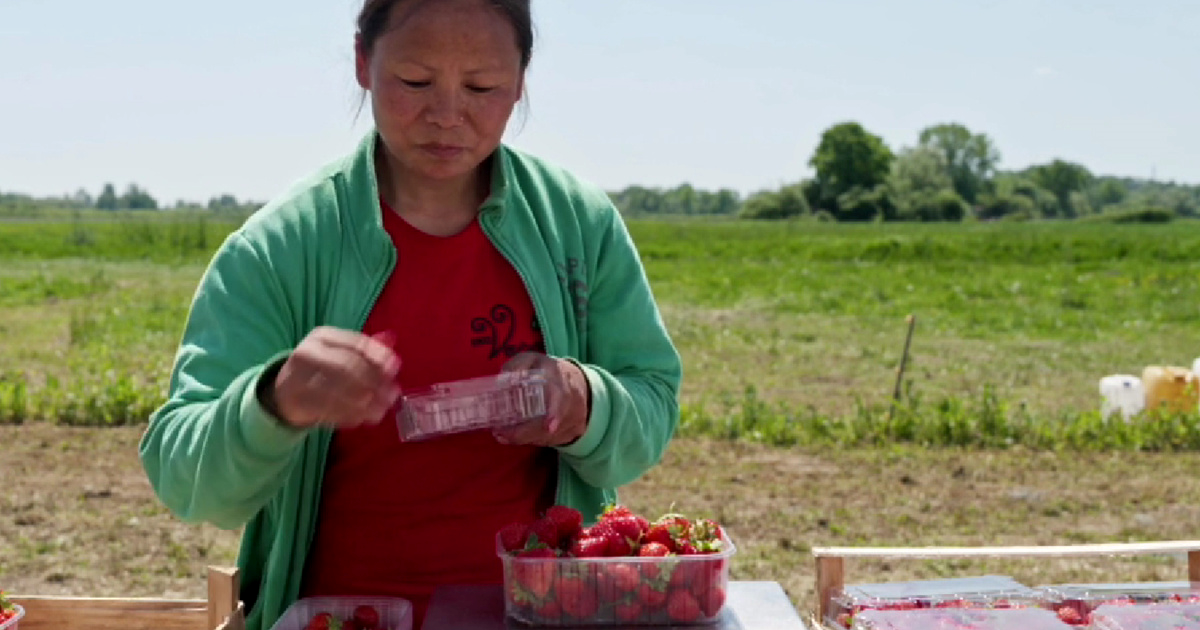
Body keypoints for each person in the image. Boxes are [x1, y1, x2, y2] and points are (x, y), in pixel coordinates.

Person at [137, 1, 683, 629]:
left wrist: (582, 400)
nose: (447, 114)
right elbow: (186, 480)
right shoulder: (279, 249)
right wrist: (274, 400)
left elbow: (652, 405)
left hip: (540, 613)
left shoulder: (577, 227)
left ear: (521, 82)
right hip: (343, 616)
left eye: (482, 86)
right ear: (364, 62)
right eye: (415, 81)